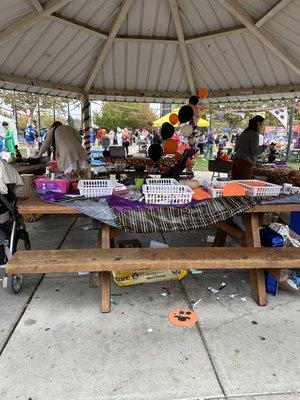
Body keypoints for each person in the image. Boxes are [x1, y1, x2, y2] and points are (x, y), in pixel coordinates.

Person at [232, 115, 266, 180]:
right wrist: (265, 147)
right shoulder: (255, 134)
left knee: (235, 183)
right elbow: (254, 152)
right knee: (244, 185)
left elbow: (236, 148)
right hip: (246, 163)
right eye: (263, 124)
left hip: (236, 160)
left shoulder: (244, 133)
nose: (263, 126)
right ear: (258, 123)